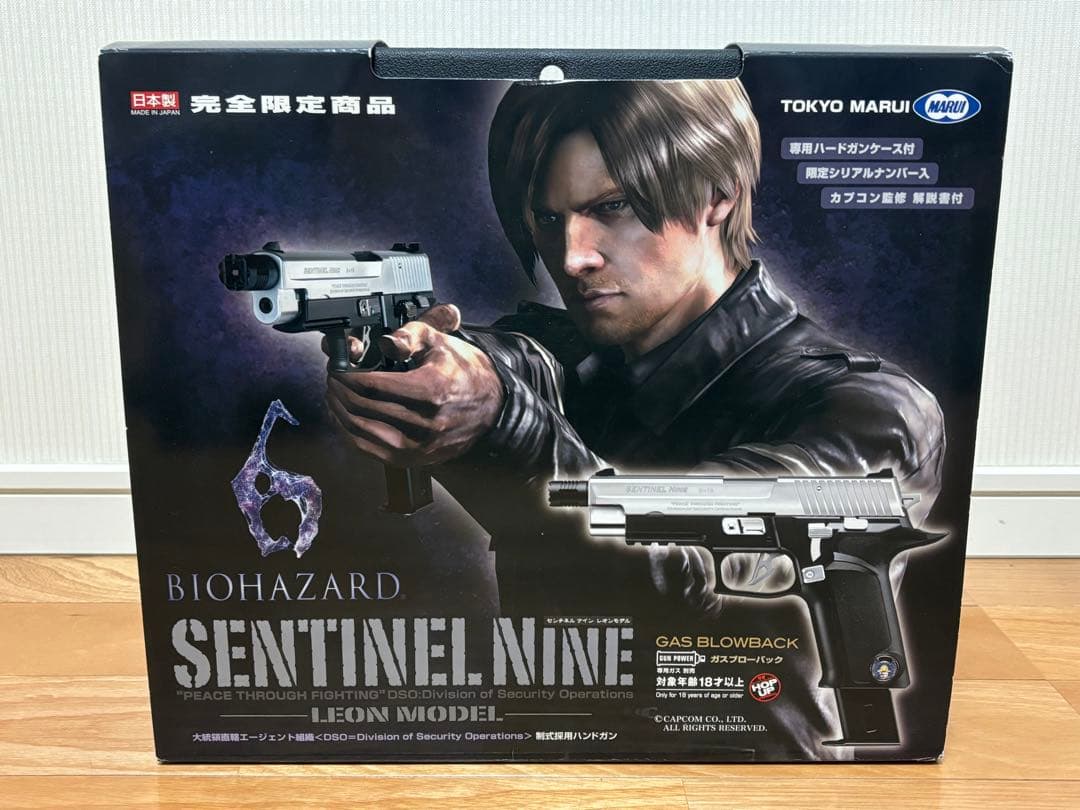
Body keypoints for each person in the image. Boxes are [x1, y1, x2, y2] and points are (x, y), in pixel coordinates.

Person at [324, 79, 945, 757]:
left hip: (754, 780)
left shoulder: (872, 410)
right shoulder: (583, 362)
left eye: (612, 207)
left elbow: (692, 560)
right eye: (549, 219)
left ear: (716, 195)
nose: (572, 257)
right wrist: (423, 360)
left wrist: (509, 427)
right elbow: (518, 360)